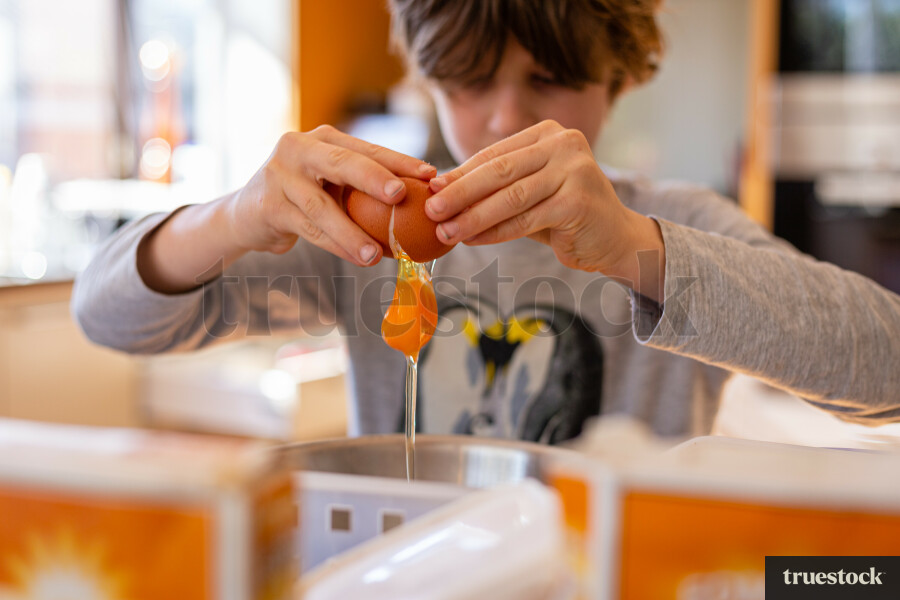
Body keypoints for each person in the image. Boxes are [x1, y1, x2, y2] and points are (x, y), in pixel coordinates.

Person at [72, 0, 900, 442]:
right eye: (469, 80)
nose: (505, 118)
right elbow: (106, 316)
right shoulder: (368, 242)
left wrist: (641, 253)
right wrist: (235, 214)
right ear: (428, 81)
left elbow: (885, 368)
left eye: (548, 79)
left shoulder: (670, 222)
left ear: (617, 82)